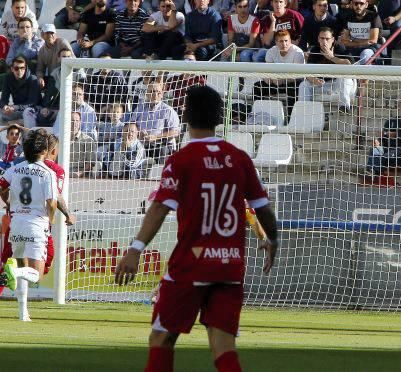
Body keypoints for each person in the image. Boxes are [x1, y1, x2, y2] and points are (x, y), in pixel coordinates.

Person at [114, 85, 279, 372]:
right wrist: (271, 241)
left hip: (191, 264)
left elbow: (159, 207)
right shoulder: (239, 158)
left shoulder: (181, 159)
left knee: (161, 338)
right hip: (229, 266)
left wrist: (135, 249)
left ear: (186, 115)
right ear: (218, 117)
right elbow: (262, 208)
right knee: (223, 347)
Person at [0, 129, 59, 321]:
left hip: (16, 223)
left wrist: (8, 203)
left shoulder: (14, 169)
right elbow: (51, 202)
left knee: (21, 264)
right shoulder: (48, 173)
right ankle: (14, 272)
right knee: (35, 275)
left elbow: (1, 187)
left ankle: (22, 312)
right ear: (44, 150)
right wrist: (51, 218)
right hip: (36, 223)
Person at [297, 27, 357, 111]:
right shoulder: (315, 50)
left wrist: (332, 57)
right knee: (303, 85)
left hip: (339, 84)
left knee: (345, 78)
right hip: (322, 84)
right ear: (318, 39)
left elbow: (350, 65)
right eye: (322, 38)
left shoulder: (339, 47)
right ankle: (303, 110)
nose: (324, 41)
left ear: (332, 39)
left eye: (327, 39)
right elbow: (308, 72)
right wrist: (313, 79)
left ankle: (345, 106)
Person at [366, 92, 401, 176]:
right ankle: (372, 172)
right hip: (389, 151)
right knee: (375, 149)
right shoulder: (390, 122)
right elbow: (384, 136)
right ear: (399, 105)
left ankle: (378, 170)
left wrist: (394, 134)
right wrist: (378, 141)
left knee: (385, 156)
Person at [253, 30, 305, 112]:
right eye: (281, 41)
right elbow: (267, 71)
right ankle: (258, 114)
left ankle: (290, 118)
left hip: (292, 83)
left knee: (294, 88)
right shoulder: (271, 51)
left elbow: (298, 76)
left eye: (286, 41)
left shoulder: (297, 53)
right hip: (275, 82)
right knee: (257, 86)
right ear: (276, 42)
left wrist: (283, 80)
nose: (284, 44)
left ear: (290, 41)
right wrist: (269, 79)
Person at [128, 81, 181, 160]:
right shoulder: (139, 108)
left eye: (158, 92)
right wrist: (138, 132)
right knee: (128, 150)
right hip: (141, 144)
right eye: (152, 92)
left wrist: (156, 137)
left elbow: (176, 132)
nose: (155, 95)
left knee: (162, 152)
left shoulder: (168, 110)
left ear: (162, 94)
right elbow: (131, 125)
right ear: (146, 94)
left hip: (161, 144)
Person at [1, 57, 40, 125]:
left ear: (26, 68)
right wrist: (4, 106)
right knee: (2, 113)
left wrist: (15, 107)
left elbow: (32, 103)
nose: (20, 71)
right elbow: (4, 98)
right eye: (16, 68)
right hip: (18, 110)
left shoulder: (33, 79)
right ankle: (20, 122)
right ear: (12, 69)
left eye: (22, 68)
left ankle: (21, 123)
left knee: (27, 112)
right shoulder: (8, 78)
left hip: (34, 109)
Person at [36, 25, 72, 90]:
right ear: (42, 35)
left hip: (66, 75)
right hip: (53, 79)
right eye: (47, 33)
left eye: (52, 33)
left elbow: (73, 58)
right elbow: (40, 69)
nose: (50, 35)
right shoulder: (41, 51)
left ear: (55, 35)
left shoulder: (62, 42)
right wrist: (40, 78)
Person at [70, 111, 98, 178]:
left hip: (78, 173)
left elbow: (90, 162)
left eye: (77, 121)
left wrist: (80, 173)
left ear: (80, 122)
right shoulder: (60, 139)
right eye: (72, 120)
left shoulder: (88, 140)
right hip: (62, 170)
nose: (74, 123)